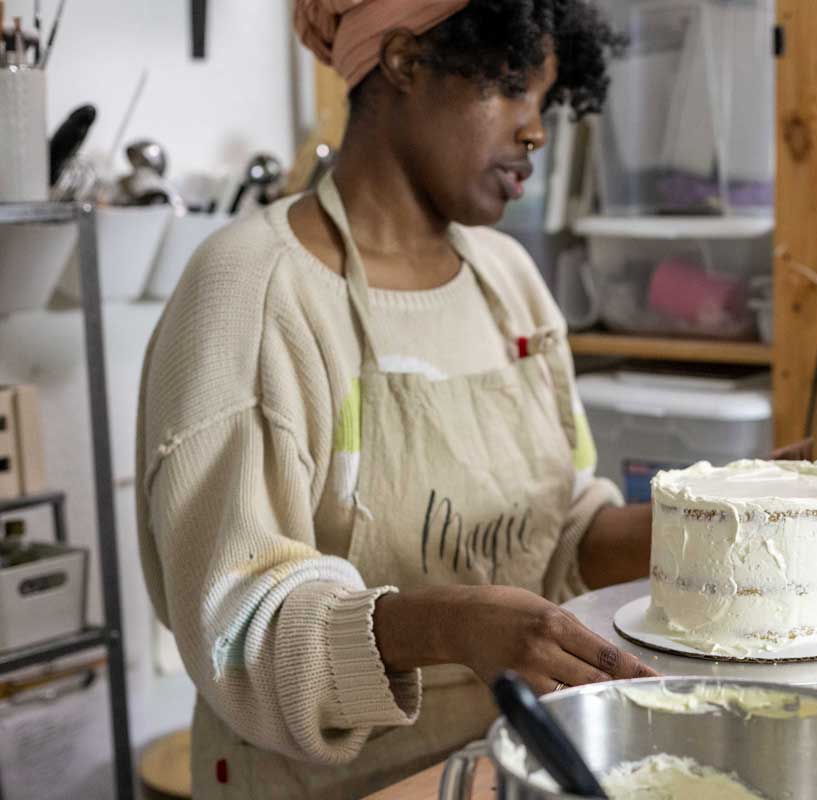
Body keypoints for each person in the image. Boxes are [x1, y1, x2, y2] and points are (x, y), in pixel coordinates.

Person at [135, 2, 656, 797]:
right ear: (407, 62)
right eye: (512, 87)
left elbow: (564, 531)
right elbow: (236, 631)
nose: (536, 131)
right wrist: (449, 624)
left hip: (507, 770)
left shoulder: (509, 282)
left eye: (545, 102)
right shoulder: (252, 293)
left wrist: (722, 519)